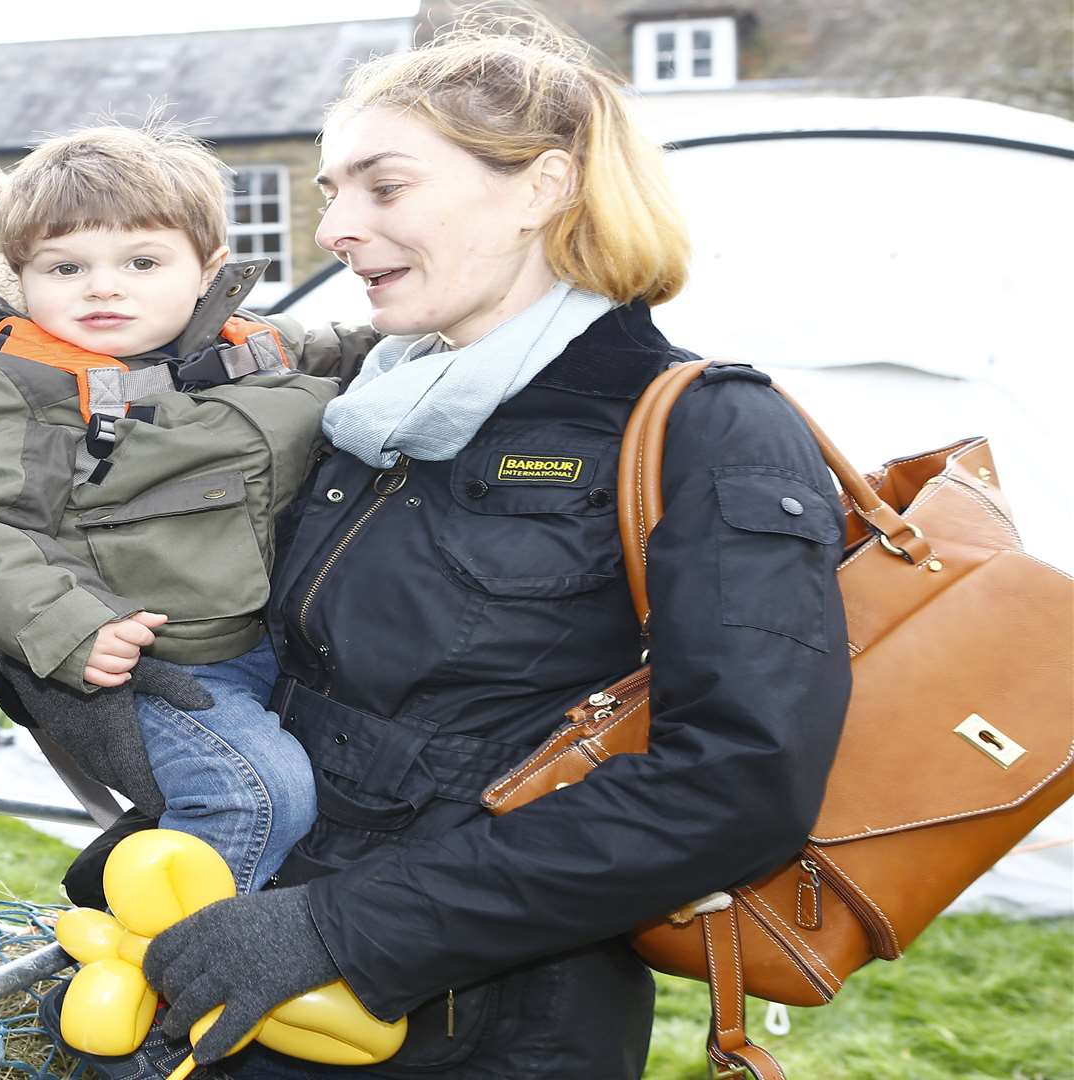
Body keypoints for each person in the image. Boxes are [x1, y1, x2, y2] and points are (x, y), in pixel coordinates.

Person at [120, 12, 852, 1079]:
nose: (338, 228)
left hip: (489, 1024)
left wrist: (341, 930)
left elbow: (737, 787)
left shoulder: (705, 426)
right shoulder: (373, 411)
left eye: (385, 186)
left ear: (543, 187)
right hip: (251, 962)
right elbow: (301, 682)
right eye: (334, 194)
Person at [0, 123, 373, 895]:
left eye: (142, 262)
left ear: (207, 271)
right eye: (66, 266)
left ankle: (117, 901)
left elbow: (353, 345)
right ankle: (177, 981)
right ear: (23, 276)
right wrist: (69, 625)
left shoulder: (245, 342)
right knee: (255, 795)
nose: (102, 286)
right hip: (135, 660)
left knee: (363, 779)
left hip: (276, 639)